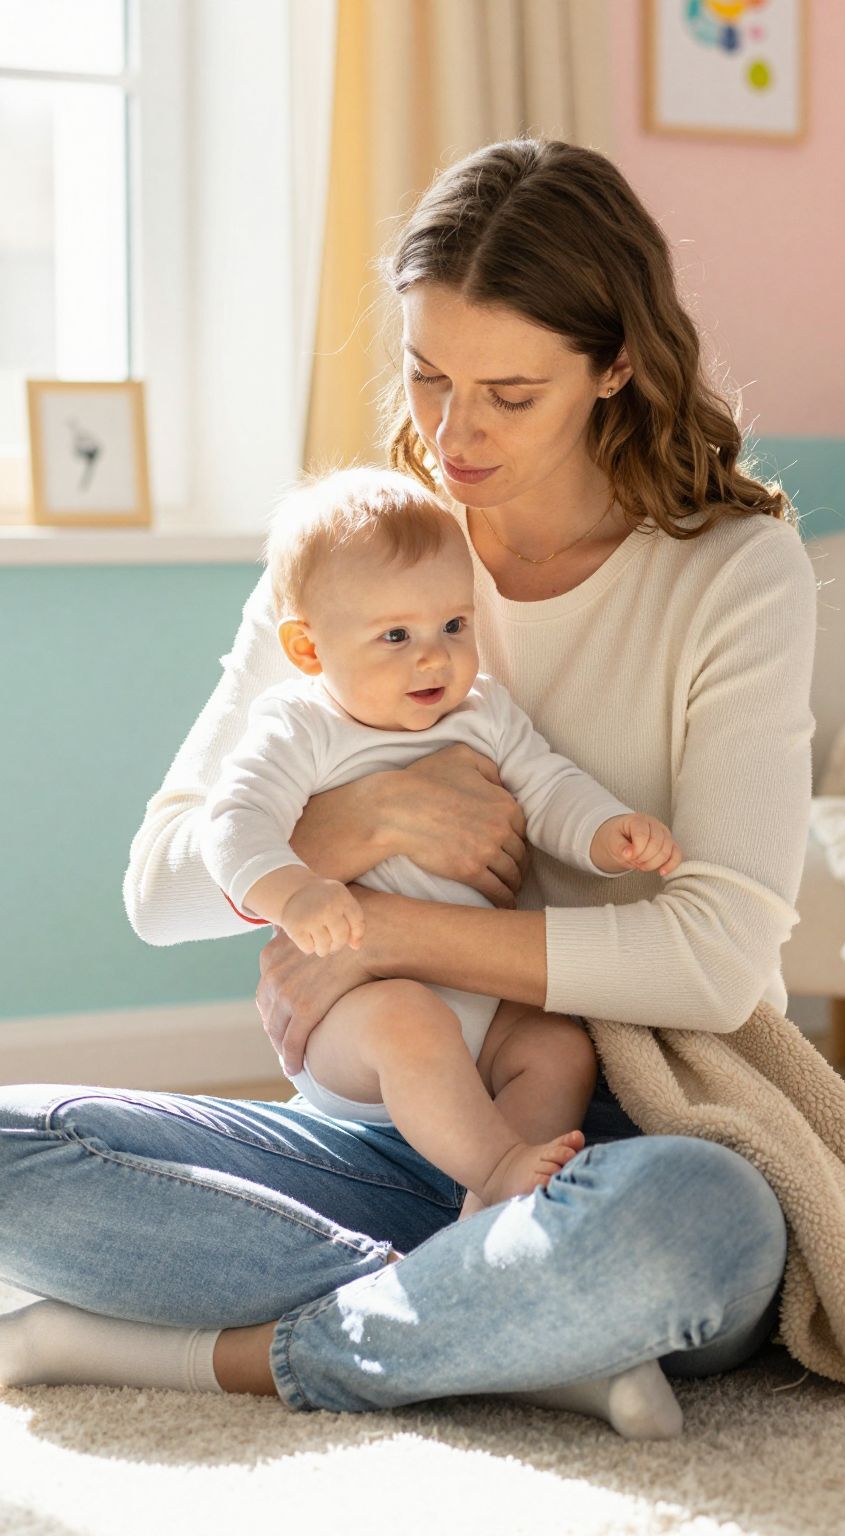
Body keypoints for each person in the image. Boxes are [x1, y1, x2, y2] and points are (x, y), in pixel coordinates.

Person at [0, 137, 818, 1442]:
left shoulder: (736, 570)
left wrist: (381, 931)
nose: (454, 433)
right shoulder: (361, 555)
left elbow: (719, 960)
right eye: (428, 375)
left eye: (508, 391)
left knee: (691, 1226)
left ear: (617, 363)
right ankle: (494, 1328)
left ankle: (233, 1353)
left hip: (622, 1135)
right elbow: (164, 887)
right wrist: (358, 826)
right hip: (384, 1133)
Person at [200, 464, 684, 1221]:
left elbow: (548, 784)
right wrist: (293, 892)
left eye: (453, 627)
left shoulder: (484, 709)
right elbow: (231, 824)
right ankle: (497, 1169)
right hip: (355, 1020)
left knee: (560, 1049)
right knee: (410, 1020)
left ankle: (483, 1223)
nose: (433, 657)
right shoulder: (299, 726)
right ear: (306, 649)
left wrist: (601, 833)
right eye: (395, 636)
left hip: (483, 1010)